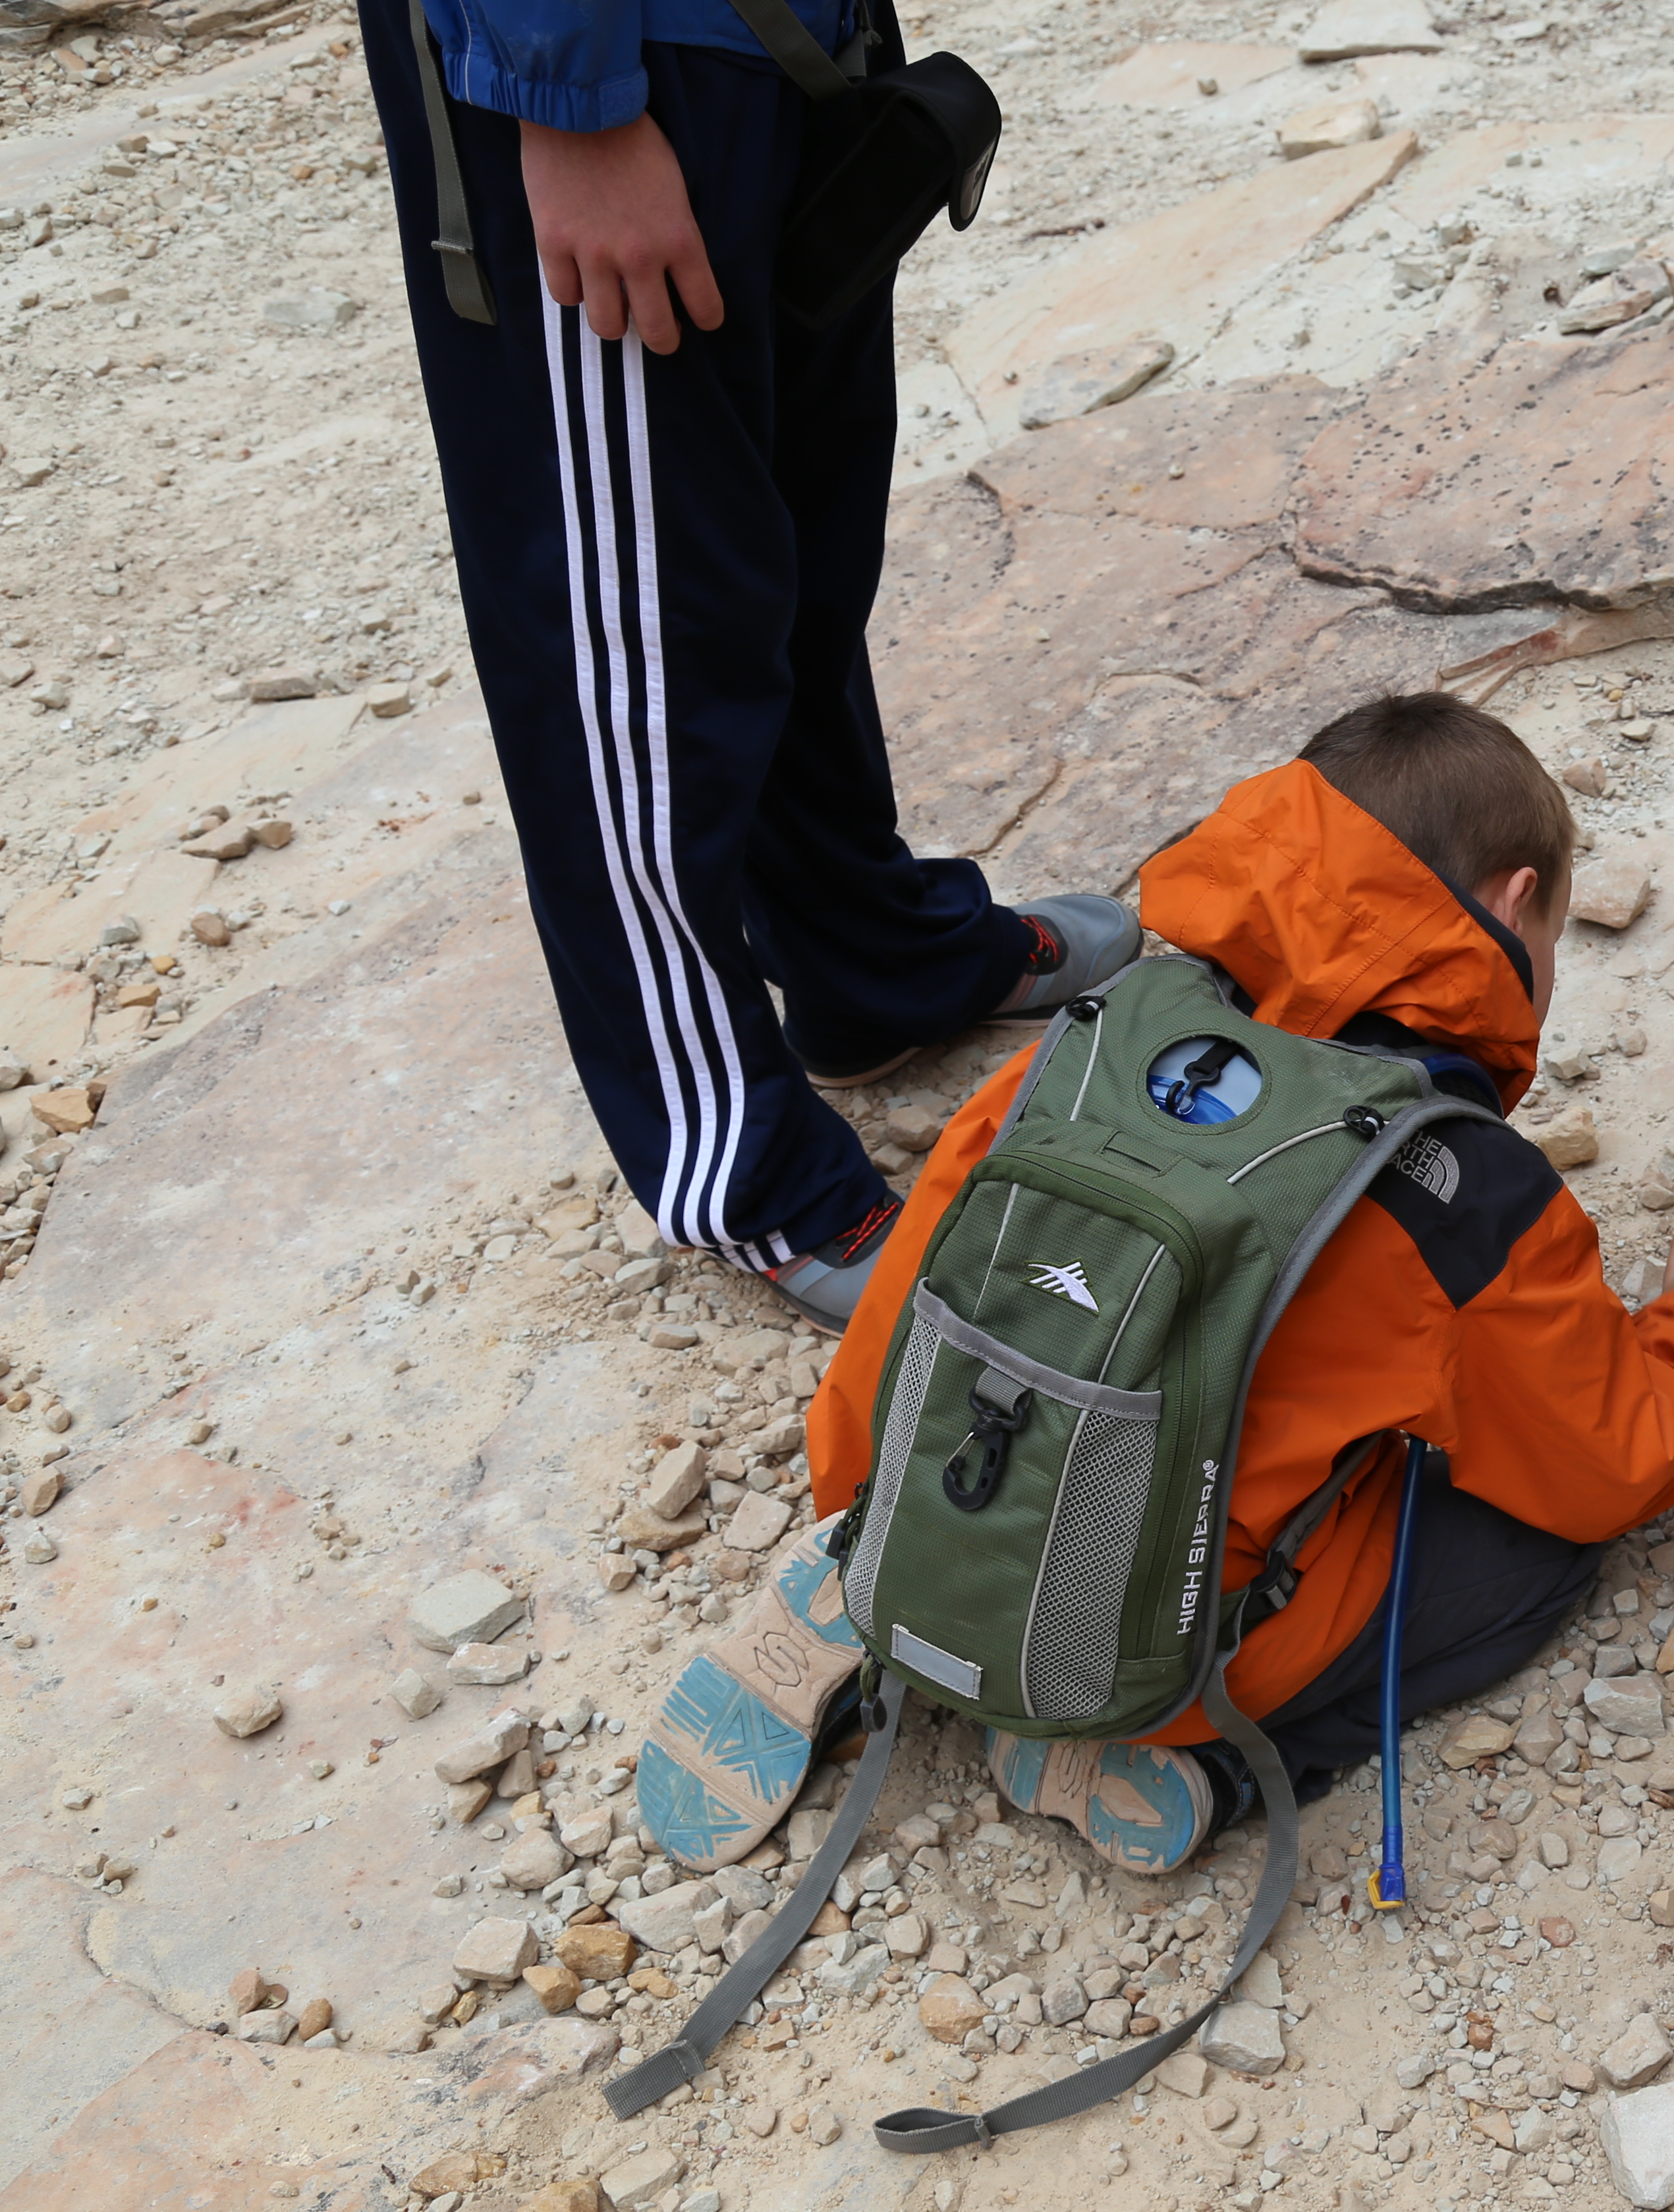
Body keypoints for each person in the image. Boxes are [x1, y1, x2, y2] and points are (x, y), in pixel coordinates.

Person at [665, 694, 1674, 1873]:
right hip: (1159, 1636)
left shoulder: (1110, 1024)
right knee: (1536, 1542)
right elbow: (1606, 1464)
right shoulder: (1457, 1185)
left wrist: (861, 1483)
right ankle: (1212, 1753)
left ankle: (871, 1573)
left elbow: (926, 1263)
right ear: (1512, 901)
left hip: (910, 1481)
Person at [350, 0, 1138, 1334]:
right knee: (638, 636)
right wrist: (565, 93)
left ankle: (862, 953)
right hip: (605, 61)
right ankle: (733, 1156)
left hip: (777, 34)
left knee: (791, 546)